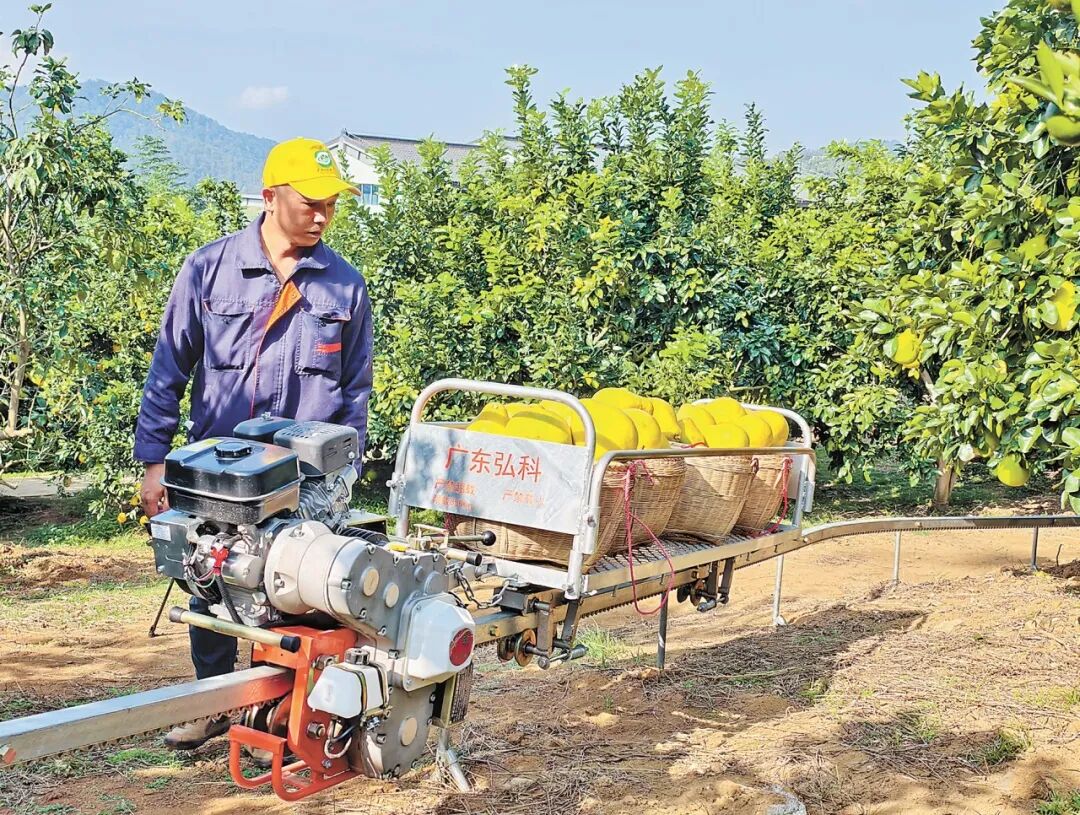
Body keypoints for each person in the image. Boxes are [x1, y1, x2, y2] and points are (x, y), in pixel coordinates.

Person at [134, 137, 373, 751]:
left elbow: (354, 390)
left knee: (298, 593)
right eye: (310, 203)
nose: (322, 215)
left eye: (331, 205)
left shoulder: (344, 286)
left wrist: (343, 474)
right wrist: (153, 462)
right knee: (210, 579)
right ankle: (214, 699)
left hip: (306, 480)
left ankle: (283, 713)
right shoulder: (208, 270)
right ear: (270, 197)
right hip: (216, 472)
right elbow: (168, 371)